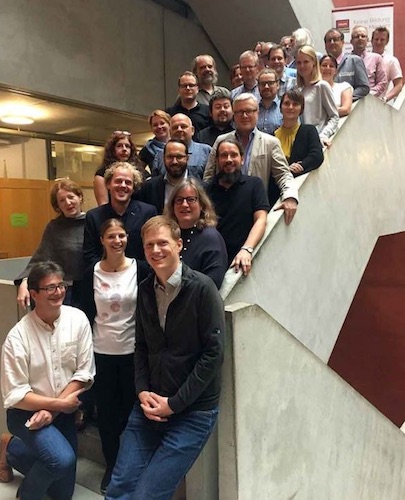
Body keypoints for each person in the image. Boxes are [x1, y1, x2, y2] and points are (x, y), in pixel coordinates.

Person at [106, 216, 225, 500]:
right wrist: (142, 390)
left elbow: (213, 354)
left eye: (163, 243)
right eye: (149, 245)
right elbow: (141, 346)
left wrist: (174, 404)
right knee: (118, 488)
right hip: (149, 404)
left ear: (179, 245)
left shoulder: (202, 288)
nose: (156, 250)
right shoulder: (146, 289)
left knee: (147, 495)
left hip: (192, 411)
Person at [0, 261, 95, 500]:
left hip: (59, 412)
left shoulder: (78, 319)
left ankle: (10, 448)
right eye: (50, 288)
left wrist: (54, 410)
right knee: (61, 460)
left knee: (62, 493)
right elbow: (15, 395)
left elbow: (84, 373)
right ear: (33, 294)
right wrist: (56, 406)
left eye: (61, 285)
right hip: (25, 414)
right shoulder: (18, 337)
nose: (58, 292)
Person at [80, 219, 149, 494]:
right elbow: (86, 314)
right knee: (107, 415)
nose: (117, 240)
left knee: (132, 413)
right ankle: (112, 466)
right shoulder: (91, 273)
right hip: (102, 353)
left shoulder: (140, 268)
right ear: (102, 240)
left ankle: (132, 465)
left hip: (134, 353)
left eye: (121, 235)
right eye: (111, 236)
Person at [203, 94, 299, 223]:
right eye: (239, 112)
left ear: (257, 112)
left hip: (254, 211)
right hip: (223, 210)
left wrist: (290, 197)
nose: (244, 116)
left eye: (249, 111)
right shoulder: (222, 140)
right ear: (233, 115)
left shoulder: (270, 143)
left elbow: (283, 175)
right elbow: (209, 176)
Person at [15, 178, 86, 309]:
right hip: (63, 292)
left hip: (89, 289)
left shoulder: (92, 222)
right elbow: (41, 259)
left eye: (71, 197)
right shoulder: (54, 228)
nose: (68, 203)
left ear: (80, 197)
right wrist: (25, 281)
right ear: (58, 206)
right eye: (62, 200)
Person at [205, 138, 270, 276]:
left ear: (242, 159)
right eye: (223, 155)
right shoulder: (205, 190)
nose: (229, 159)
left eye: (234, 155)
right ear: (217, 160)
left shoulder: (255, 185)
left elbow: (261, 219)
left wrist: (247, 249)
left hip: (246, 259)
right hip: (213, 262)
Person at [84, 162, 157, 268]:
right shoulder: (93, 217)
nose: (123, 185)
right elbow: (90, 255)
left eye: (128, 182)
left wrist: (129, 270)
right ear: (108, 184)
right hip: (105, 278)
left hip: (140, 277)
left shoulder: (148, 213)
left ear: (133, 187)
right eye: (118, 181)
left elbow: (152, 250)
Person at [164, 178, 228, 288]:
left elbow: (213, 282)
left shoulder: (211, 238)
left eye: (190, 199)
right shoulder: (167, 235)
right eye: (179, 200)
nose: (184, 205)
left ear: (201, 205)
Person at [270, 89, 324, 205]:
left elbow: (317, 156)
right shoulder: (272, 136)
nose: (290, 107)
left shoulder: (309, 130)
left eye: (295, 104)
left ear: (301, 109)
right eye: (287, 103)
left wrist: (301, 165)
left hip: (303, 191)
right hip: (275, 192)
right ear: (280, 107)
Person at [137, 139, 196, 214]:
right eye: (170, 157)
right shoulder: (148, 188)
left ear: (187, 158)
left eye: (179, 157)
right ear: (163, 158)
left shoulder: (202, 188)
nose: (174, 161)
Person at [296, 45, 339, 145]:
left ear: (314, 63)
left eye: (306, 62)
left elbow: (334, 117)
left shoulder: (322, 86)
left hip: (317, 142)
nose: (302, 66)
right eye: (299, 63)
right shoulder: (298, 89)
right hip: (302, 142)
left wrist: (323, 136)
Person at [93, 130, 144, 206]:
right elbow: (103, 206)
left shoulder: (141, 172)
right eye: (119, 146)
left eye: (127, 146)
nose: (124, 149)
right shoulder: (101, 175)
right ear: (112, 150)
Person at [152, 114, 211, 178]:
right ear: (170, 132)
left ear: (192, 130)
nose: (179, 129)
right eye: (175, 127)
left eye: (183, 126)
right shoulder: (160, 155)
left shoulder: (206, 151)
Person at [323, 28, 369, 101]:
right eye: (329, 40)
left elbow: (364, 88)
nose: (332, 42)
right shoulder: (321, 65)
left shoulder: (354, 61)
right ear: (325, 45)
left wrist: (344, 99)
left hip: (351, 108)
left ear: (342, 42)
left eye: (335, 39)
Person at [351, 25, 387, 98]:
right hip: (349, 101)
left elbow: (382, 83)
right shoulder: (346, 60)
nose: (360, 38)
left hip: (370, 101)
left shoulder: (376, 58)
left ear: (367, 40)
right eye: (357, 36)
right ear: (351, 41)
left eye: (363, 36)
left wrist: (367, 95)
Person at [371, 26, 403, 103]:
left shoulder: (391, 60)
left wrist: (385, 98)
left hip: (381, 105)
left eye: (382, 40)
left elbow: (399, 85)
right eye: (376, 39)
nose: (378, 42)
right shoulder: (364, 58)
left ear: (387, 41)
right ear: (371, 40)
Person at [257, 68, 283, 135]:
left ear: (277, 85)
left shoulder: (286, 107)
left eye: (270, 83)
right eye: (263, 84)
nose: (266, 87)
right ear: (258, 87)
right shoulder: (253, 109)